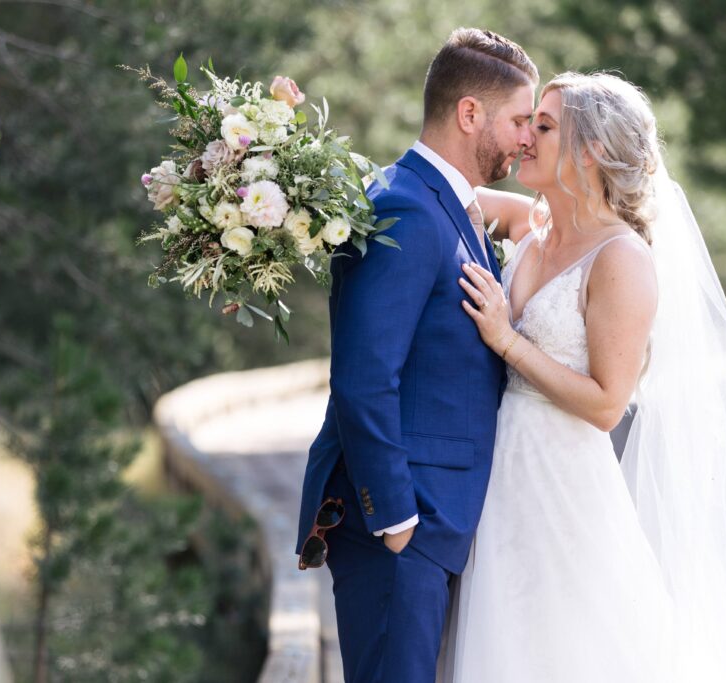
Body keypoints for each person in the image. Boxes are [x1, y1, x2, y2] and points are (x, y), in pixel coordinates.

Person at [440, 72, 726, 682]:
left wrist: (506, 340)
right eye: (530, 124)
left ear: (593, 151)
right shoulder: (535, 228)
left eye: (545, 126)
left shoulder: (621, 259)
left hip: (563, 490)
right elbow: (447, 199)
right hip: (499, 479)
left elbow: (609, 403)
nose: (526, 137)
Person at [293, 28, 537, 683]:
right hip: (402, 531)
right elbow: (363, 376)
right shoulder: (404, 205)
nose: (526, 138)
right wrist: (396, 518)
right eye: (519, 119)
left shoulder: (442, 203)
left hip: (434, 528)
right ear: (468, 114)